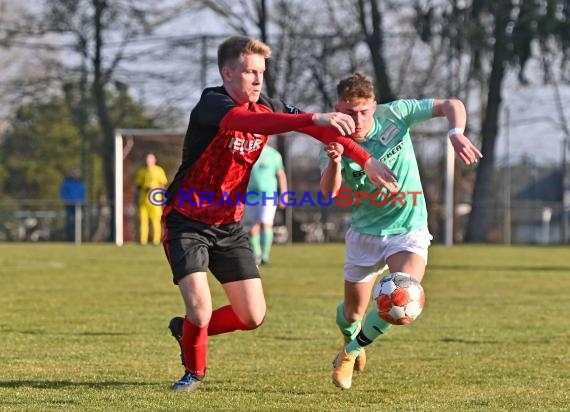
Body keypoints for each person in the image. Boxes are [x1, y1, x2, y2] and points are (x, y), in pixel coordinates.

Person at [162, 36, 399, 393]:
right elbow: (257, 124)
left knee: (252, 316)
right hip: (187, 221)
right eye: (249, 72)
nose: (258, 80)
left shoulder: (267, 105)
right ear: (227, 73)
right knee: (201, 308)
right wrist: (311, 115)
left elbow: (318, 129)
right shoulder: (213, 103)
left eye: (261, 72)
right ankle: (193, 374)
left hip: (228, 224)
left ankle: (186, 331)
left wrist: (366, 159)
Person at [320, 73, 482, 390]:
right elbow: (328, 192)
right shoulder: (332, 136)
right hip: (365, 232)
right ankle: (350, 337)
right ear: (337, 108)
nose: (357, 119)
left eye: (363, 111)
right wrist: (335, 164)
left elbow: (452, 104)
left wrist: (455, 133)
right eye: (349, 112)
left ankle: (351, 352)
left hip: (408, 227)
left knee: (403, 292)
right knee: (352, 314)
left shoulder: (396, 113)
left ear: (374, 106)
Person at [245, 145, 288, 266]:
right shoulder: (249, 152)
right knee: (252, 227)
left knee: (265, 223)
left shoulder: (274, 154)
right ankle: (256, 255)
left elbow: (281, 175)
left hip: (269, 194)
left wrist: (284, 194)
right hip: (251, 195)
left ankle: (265, 256)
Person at [136, 153, 168, 245]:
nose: (148, 162)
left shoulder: (159, 171)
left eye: (150, 160)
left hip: (154, 201)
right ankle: (143, 241)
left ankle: (156, 241)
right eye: (147, 160)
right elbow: (138, 185)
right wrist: (144, 188)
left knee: (155, 220)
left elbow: (162, 184)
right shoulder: (142, 171)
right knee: (143, 221)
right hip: (143, 200)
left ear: (154, 160)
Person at [60, 167, 86, 242]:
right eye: (75, 173)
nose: (76, 174)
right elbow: (64, 194)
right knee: (70, 223)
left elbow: (83, 194)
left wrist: (83, 201)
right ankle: (70, 240)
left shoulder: (81, 183)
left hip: (80, 206)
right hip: (70, 206)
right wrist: (67, 201)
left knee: (80, 223)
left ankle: (80, 240)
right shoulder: (66, 183)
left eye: (78, 172)